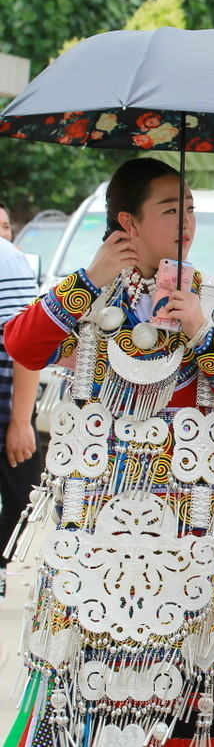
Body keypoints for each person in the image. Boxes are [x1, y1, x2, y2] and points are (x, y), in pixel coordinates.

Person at [3, 157, 214, 747]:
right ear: (127, 221)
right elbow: (22, 344)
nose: (187, 223)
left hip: (188, 533)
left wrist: (201, 332)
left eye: (191, 208)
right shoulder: (91, 294)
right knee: (82, 691)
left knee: (189, 692)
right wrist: (90, 277)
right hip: (94, 528)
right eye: (171, 210)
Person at [0, 231, 40, 597]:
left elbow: (24, 345)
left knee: (23, 497)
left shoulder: (6, 259)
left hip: (3, 411)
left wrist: (20, 420)